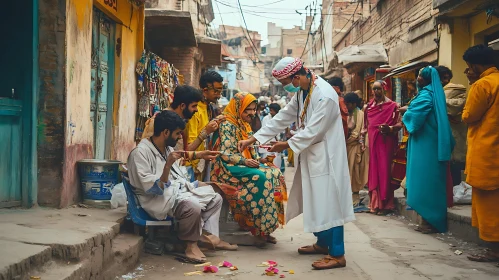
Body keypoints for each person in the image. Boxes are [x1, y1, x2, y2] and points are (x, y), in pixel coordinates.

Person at [238, 57, 355, 270]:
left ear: (297, 76)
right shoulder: (303, 91)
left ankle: (338, 254)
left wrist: (285, 145)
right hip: (311, 154)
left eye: (286, 83)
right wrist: (254, 138)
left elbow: (314, 131)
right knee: (315, 200)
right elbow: (283, 117)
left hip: (326, 156)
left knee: (330, 203)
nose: (286, 88)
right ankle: (322, 243)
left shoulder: (325, 95)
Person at [127, 111, 237, 263]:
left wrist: (199, 156)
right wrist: (167, 167)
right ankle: (191, 245)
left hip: (173, 192)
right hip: (155, 200)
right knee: (192, 206)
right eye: (178, 133)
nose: (180, 137)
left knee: (216, 198)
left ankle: (205, 237)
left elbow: (178, 169)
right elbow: (152, 188)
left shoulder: (166, 148)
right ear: (166, 132)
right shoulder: (140, 153)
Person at [210, 92, 287, 247]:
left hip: (242, 164)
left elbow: (250, 150)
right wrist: (246, 161)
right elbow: (225, 154)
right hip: (227, 168)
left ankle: (265, 230)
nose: (251, 113)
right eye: (247, 110)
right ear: (238, 108)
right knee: (261, 177)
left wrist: (260, 160)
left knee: (275, 173)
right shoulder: (227, 124)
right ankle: (256, 229)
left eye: (253, 109)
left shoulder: (244, 124)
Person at [403, 66, 454, 234]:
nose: (417, 78)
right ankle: (429, 220)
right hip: (430, 142)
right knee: (432, 180)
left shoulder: (426, 95)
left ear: (425, 79)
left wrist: (406, 114)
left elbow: (414, 119)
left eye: (419, 76)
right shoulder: (435, 93)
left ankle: (430, 220)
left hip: (424, 144)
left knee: (423, 181)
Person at [460, 45, 499, 263]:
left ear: (476, 65)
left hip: (486, 152)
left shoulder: (482, 85)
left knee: (488, 203)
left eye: (469, 67)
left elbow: (469, 116)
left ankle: (493, 249)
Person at [141, 85, 224, 154]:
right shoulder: (158, 122)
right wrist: (205, 132)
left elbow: (182, 152)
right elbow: (147, 153)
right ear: (182, 106)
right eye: (194, 106)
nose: (196, 110)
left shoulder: (183, 121)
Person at [364, 80, 402, 215]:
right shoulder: (368, 107)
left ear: (384, 90)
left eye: (378, 89)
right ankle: (375, 204)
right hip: (373, 143)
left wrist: (390, 128)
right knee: (374, 171)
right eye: (374, 89)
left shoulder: (393, 106)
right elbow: (365, 126)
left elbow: (399, 125)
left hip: (386, 143)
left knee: (385, 171)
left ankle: (386, 204)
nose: (376, 92)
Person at [185, 71, 224, 181]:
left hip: (200, 165)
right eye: (216, 91)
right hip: (190, 166)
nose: (219, 95)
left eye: (220, 91)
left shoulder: (209, 108)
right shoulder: (195, 110)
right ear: (205, 90)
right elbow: (188, 148)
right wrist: (206, 131)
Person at [436, 66, 468, 186]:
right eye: (441, 78)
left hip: (455, 132)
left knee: (454, 164)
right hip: (438, 134)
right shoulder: (432, 92)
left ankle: (454, 192)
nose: (444, 81)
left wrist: (438, 102)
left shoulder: (457, 90)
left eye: (446, 78)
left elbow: (456, 107)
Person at [344, 93, 368, 210]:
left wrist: (346, 141)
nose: (346, 106)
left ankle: (355, 199)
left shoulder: (360, 115)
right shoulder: (345, 114)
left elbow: (357, 133)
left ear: (353, 104)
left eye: (348, 104)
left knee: (355, 173)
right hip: (345, 147)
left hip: (354, 147)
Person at [260, 103, 284, 169]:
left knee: (277, 164)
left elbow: (282, 131)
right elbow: (265, 131)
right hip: (268, 144)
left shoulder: (279, 118)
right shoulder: (266, 119)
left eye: (272, 110)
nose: (271, 112)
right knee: (267, 165)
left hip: (277, 143)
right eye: (271, 110)